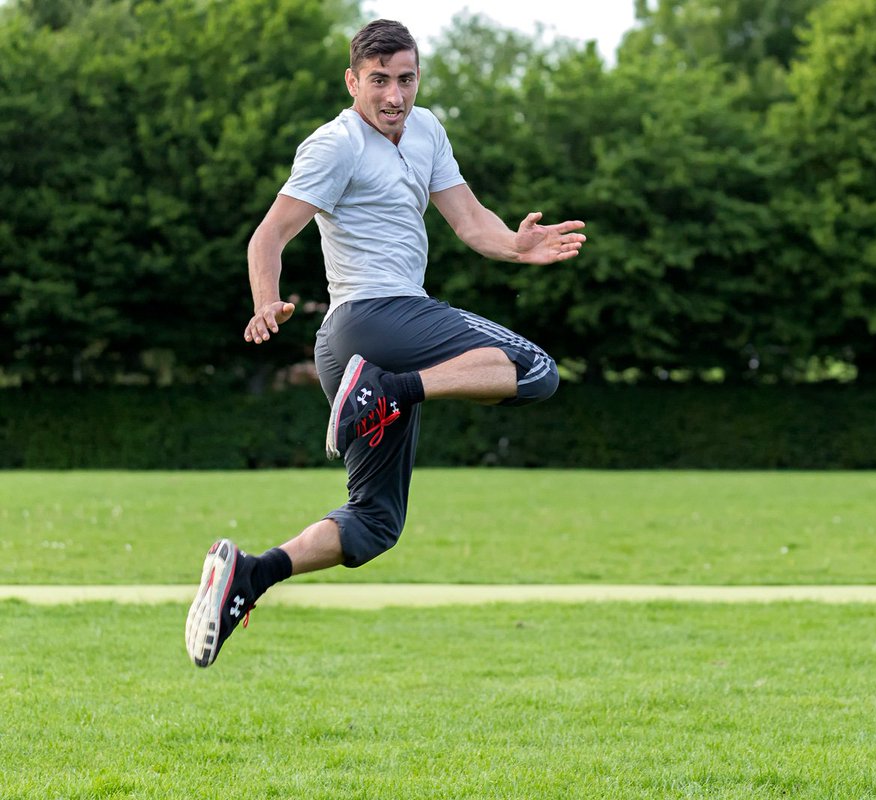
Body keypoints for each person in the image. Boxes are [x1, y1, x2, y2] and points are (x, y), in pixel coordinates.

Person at [185, 19, 586, 668]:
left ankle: (250, 576)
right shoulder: (334, 145)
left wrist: (515, 244)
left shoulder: (427, 130)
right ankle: (389, 391)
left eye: (405, 78)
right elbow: (269, 236)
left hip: (359, 356)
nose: (394, 95)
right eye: (379, 81)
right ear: (353, 82)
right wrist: (266, 300)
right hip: (371, 323)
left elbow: (469, 220)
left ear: (418, 77)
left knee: (373, 524)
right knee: (536, 369)